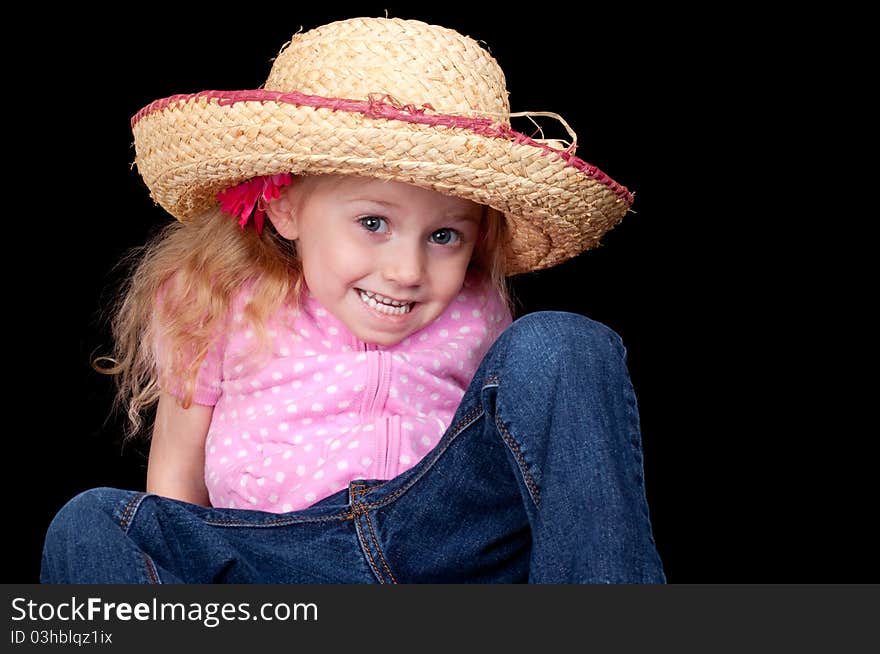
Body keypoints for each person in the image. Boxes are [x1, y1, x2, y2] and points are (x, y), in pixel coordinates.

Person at [41, 16, 665, 583]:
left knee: (564, 341)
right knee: (93, 521)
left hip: (444, 545)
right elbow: (175, 478)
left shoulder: (478, 310)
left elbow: (507, 451)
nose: (406, 270)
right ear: (284, 207)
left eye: (444, 236)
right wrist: (181, 561)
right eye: (373, 222)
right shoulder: (213, 297)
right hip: (281, 557)